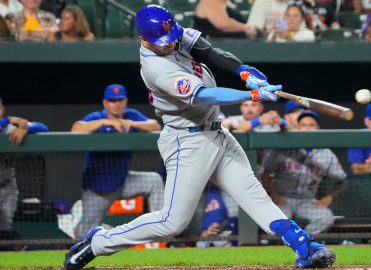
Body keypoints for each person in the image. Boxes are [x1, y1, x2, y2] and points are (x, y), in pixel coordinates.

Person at [64, 5, 336, 269]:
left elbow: (209, 51)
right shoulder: (155, 68)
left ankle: (305, 246)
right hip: (187, 141)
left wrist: (244, 71)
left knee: (255, 197)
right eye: (162, 41)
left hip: (217, 132)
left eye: (171, 37)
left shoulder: (171, 34)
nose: (169, 44)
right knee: (172, 222)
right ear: (143, 39)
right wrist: (250, 95)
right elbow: (204, 96)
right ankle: (98, 243)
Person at [70, 84, 164, 239]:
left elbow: (155, 126)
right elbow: (75, 129)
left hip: (123, 181)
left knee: (153, 180)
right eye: (112, 101)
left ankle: (159, 228)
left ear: (125, 101)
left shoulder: (131, 115)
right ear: (106, 103)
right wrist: (104, 122)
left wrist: (132, 124)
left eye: (120, 100)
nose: (117, 103)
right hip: (98, 189)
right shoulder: (96, 117)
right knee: (83, 235)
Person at [261, 110, 347, 235]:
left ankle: (303, 241)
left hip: (306, 201)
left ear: (318, 128)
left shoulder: (326, 153)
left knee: (326, 217)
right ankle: (279, 246)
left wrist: (328, 197)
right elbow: (265, 173)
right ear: (298, 128)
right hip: (282, 198)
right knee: (279, 219)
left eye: (311, 125)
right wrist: (274, 195)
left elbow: (342, 181)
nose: (308, 128)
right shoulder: (284, 148)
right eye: (304, 125)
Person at [0, 97, 48, 242]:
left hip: (7, 185)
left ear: (2, 109)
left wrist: (24, 128)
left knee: (5, 229)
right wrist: (7, 120)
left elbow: (43, 128)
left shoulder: (11, 128)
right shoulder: (7, 122)